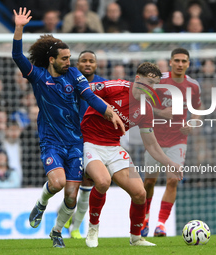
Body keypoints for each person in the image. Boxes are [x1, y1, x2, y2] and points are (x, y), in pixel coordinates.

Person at [12, 7, 124, 248]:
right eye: (65, 58)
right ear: (52, 60)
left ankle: (56, 232)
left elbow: (89, 96)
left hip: (75, 142)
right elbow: (18, 57)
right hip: (51, 141)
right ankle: (41, 203)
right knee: (58, 183)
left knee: (71, 196)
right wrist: (19, 28)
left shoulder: (74, 74)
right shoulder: (38, 76)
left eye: (69, 58)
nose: (69, 62)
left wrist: (108, 111)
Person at [81, 62, 182, 247]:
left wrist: (169, 163)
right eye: (149, 83)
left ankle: (136, 238)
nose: (152, 88)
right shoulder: (116, 87)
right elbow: (84, 89)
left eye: (154, 85)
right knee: (103, 182)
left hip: (113, 146)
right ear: (137, 79)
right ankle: (93, 227)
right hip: (90, 142)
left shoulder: (146, 109)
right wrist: (106, 109)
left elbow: (151, 144)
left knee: (140, 193)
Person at [141, 48, 201, 237]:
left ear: (188, 64)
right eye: (177, 60)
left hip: (178, 139)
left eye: (184, 61)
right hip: (154, 139)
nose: (180, 64)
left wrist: (192, 122)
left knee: (173, 180)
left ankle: (161, 224)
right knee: (150, 181)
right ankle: (145, 218)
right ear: (170, 62)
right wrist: (160, 113)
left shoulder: (193, 85)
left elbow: (198, 108)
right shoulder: (158, 81)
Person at [64, 50, 108, 238]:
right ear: (77, 64)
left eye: (91, 61)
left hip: (93, 139)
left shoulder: (103, 84)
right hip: (71, 138)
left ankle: (75, 227)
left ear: (96, 65)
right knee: (72, 182)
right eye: (84, 61)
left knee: (88, 182)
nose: (87, 64)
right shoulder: (68, 80)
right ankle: (66, 214)